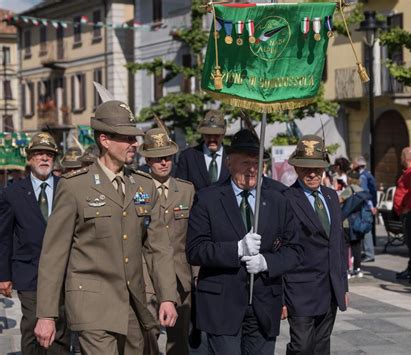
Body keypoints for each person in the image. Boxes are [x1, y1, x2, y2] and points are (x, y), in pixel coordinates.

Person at [33, 100, 178, 354]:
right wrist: (46, 314)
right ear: (105, 140)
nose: (134, 143)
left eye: (135, 137)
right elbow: (54, 254)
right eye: (127, 138)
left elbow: (159, 247)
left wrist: (167, 296)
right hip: (92, 305)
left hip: (134, 304)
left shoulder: (143, 186)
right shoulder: (75, 186)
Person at [186, 129, 302, 355]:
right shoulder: (208, 199)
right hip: (222, 304)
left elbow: (295, 250)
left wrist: (267, 262)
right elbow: (195, 250)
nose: (252, 169)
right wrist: (236, 249)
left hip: (264, 303)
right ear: (229, 163)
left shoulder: (278, 200)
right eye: (245, 162)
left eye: (257, 163)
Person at [0, 132, 70, 354]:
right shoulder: (12, 193)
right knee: (33, 326)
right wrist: (4, 275)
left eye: (49, 155)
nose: (44, 159)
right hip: (29, 271)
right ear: (29, 159)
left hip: (63, 272)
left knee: (60, 328)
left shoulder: (67, 188)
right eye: (39, 154)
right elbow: (4, 236)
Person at [282, 135, 348, 354]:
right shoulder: (286, 199)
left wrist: (342, 285)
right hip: (299, 289)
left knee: (321, 345)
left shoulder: (330, 197)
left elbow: (338, 244)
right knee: (301, 346)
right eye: (306, 169)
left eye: (317, 169)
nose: (312, 174)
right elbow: (280, 248)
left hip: (329, 289)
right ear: (297, 168)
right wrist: (281, 296)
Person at [139, 127, 197, 355]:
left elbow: (193, 235)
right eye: (157, 158)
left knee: (178, 340)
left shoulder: (186, 190)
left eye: (167, 157)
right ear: (147, 159)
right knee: (149, 333)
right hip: (147, 275)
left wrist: (196, 272)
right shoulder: (137, 189)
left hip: (179, 275)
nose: (163, 162)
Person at [175, 110, 230, 190]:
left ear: (223, 134)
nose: (212, 139)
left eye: (216, 135)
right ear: (203, 134)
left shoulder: (232, 156)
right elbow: (180, 190)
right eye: (208, 135)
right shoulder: (188, 157)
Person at [393, 147, 411, 283]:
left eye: (401, 156)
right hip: (405, 213)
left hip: (409, 214)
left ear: (405, 158)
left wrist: (407, 209)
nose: (400, 159)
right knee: (410, 243)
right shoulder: (408, 172)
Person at [340, 169, 373, 279]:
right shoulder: (361, 190)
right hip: (358, 223)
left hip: (346, 223)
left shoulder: (349, 190)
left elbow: (339, 200)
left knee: (344, 246)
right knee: (357, 246)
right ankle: (357, 269)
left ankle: (346, 270)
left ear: (349, 179)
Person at [352, 156, 377, 262]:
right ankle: (367, 252)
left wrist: (372, 206)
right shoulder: (367, 175)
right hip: (368, 206)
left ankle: (369, 253)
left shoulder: (363, 177)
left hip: (366, 206)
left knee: (366, 229)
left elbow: (365, 193)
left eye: (353, 163)